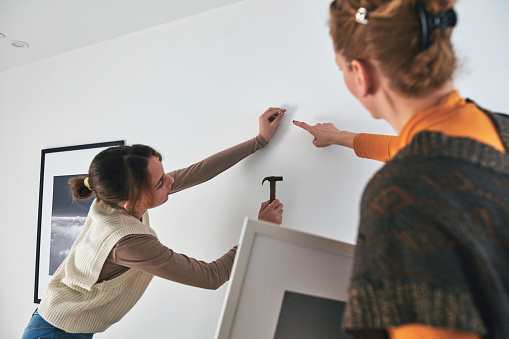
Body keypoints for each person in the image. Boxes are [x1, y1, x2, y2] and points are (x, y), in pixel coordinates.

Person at [293, 1, 508, 339]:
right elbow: (430, 153)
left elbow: (424, 167)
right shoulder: (496, 130)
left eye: (342, 69)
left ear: (360, 75)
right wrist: (342, 138)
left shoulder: (399, 202)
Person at [22, 108, 285, 338]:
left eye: (163, 171)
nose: (170, 181)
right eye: (160, 183)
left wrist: (259, 141)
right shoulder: (128, 242)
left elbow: (198, 171)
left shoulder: (113, 197)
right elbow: (211, 276)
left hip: (60, 323)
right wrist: (259, 232)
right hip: (56, 333)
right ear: (133, 203)